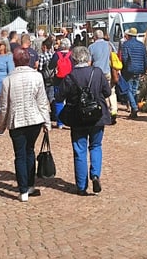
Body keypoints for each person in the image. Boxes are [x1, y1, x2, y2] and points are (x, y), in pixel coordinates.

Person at [57, 46, 112, 196]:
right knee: (96, 146)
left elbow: (59, 97)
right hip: (97, 116)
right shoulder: (97, 72)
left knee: (79, 150)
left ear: (74, 60)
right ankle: (95, 174)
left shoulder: (70, 76)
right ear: (88, 58)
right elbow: (107, 92)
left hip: (78, 118)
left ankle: (81, 186)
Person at [0, 48, 50, 202]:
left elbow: (4, 107)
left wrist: (1, 126)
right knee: (30, 151)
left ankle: (23, 191)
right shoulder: (37, 77)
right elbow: (42, 102)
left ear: (14, 62)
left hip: (17, 121)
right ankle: (30, 185)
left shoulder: (8, 80)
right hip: (34, 120)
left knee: (20, 155)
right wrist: (47, 122)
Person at [88, 29, 118, 125]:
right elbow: (114, 55)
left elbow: (89, 62)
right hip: (108, 71)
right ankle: (114, 111)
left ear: (95, 37)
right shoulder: (109, 44)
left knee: (100, 93)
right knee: (111, 91)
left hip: (96, 73)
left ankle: (104, 112)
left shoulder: (91, 47)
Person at [120, 28, 147, 118]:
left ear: (128, 35)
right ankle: (134, 112)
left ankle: (134, 106)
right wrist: (144, 70)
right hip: (139, 69)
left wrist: (124, 68)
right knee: (134, 90)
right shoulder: (141, 45)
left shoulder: (125, 44)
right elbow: (145, 59)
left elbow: (124, 58)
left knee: (127, 89)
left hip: (129, 70)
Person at [50, 38, 74, 129]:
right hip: (69, 80)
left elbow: (50, 66)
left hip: (58, 79)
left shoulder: (56, 55)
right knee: (70, 101)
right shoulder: (71, 55)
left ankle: (60, 122)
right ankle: (70, 121)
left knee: (59, 101)